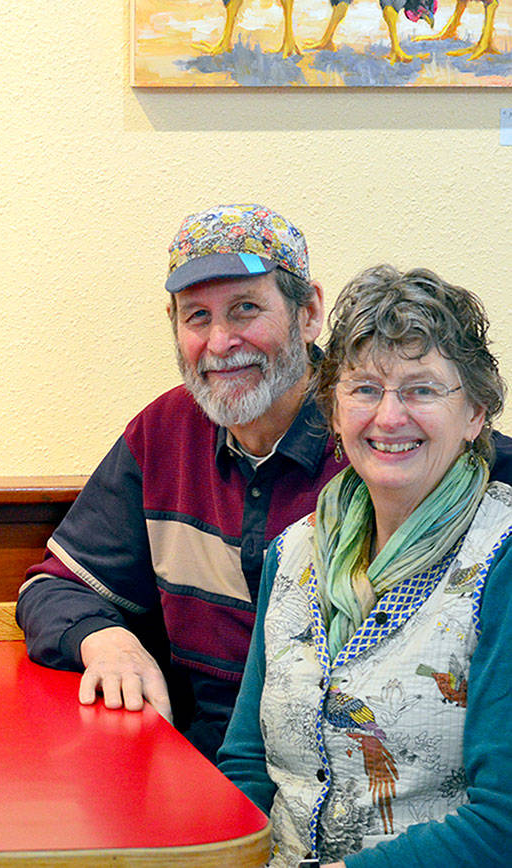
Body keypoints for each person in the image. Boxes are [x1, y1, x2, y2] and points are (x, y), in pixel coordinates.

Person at [14, 204, 512, 761]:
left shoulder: (389, 444)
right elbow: (52, 588)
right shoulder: (163, 434)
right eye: (197, 317)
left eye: (246, 309)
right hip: (201, 768)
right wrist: (106, 641)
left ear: (309, 313)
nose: (221, 341)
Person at [217, 266, 512, 867]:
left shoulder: (501, 560)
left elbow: (502, 821)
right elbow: (247, 763)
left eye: (422, 389)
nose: (389, 417)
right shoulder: (294, 552)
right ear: (334, 409)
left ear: (476, 415)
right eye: (365, 388)